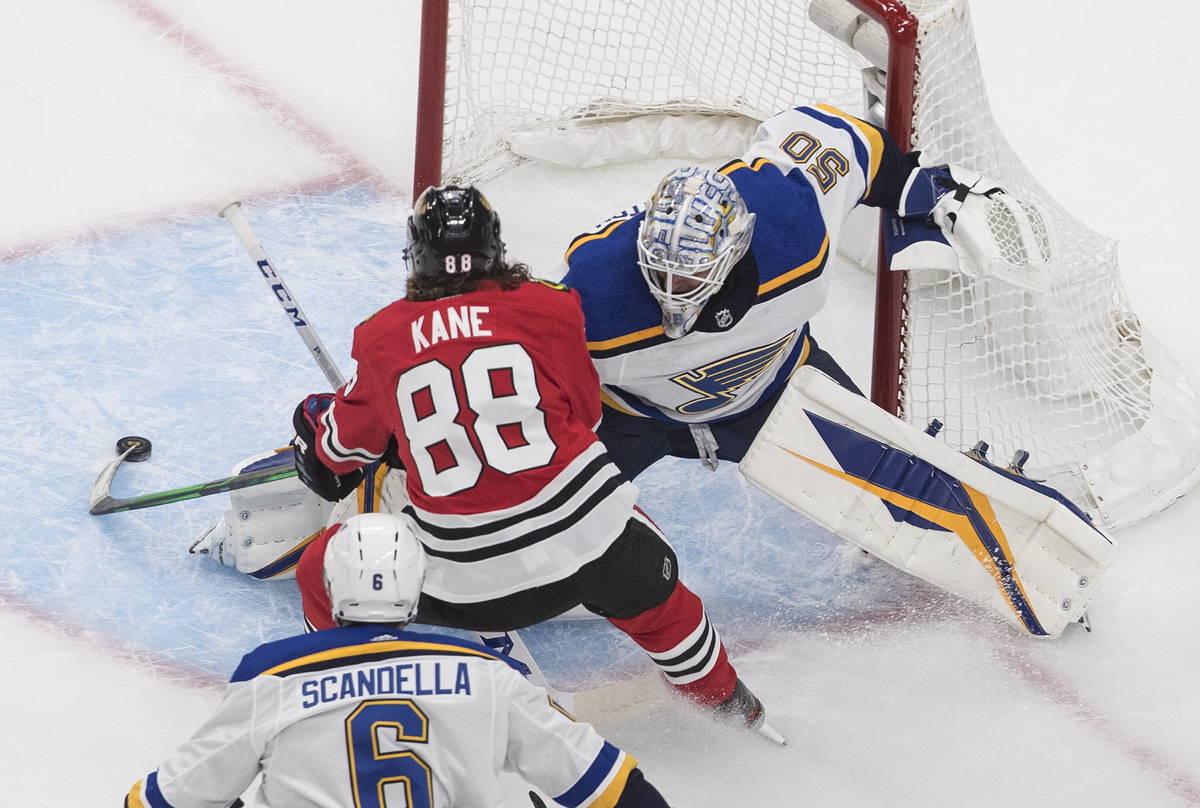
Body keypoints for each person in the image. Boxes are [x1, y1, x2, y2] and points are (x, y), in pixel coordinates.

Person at [289, 185, 782, 740]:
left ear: (415, 253)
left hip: (462, 588)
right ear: (496, 247)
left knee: (321, 570)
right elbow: (586, 417)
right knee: (662, 604)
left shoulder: (381, 336)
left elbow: (340, 449)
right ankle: (735, 710)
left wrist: (316, 424)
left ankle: (341, 710)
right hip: (594, 556)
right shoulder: (553, 306)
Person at [559, 103, 1002, 480]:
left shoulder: (790, 218)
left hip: (780, 387)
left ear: (737, 247)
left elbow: (845, 140)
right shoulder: (590, 294)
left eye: (691, 277)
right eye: (661, 273)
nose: (674, 292)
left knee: (902, 487)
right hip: (634, 418)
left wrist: (912, 184)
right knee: (550, 513)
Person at [126, 513, 673, 808]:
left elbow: (159, 802)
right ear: (416, 588)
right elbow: (614, 788)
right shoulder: (489, 676)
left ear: (331, 585)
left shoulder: (271, 675)